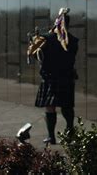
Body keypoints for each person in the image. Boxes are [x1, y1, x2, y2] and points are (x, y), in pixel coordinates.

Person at [31, 8, 79, 145]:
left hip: (50, 77)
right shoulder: (74, 41)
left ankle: (51, 137)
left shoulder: (46, 38)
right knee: (67, 106)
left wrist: (35, 42)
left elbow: (36, 55)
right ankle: (70, 133)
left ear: (57, 23)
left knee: (50, 106)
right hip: (67, 76)